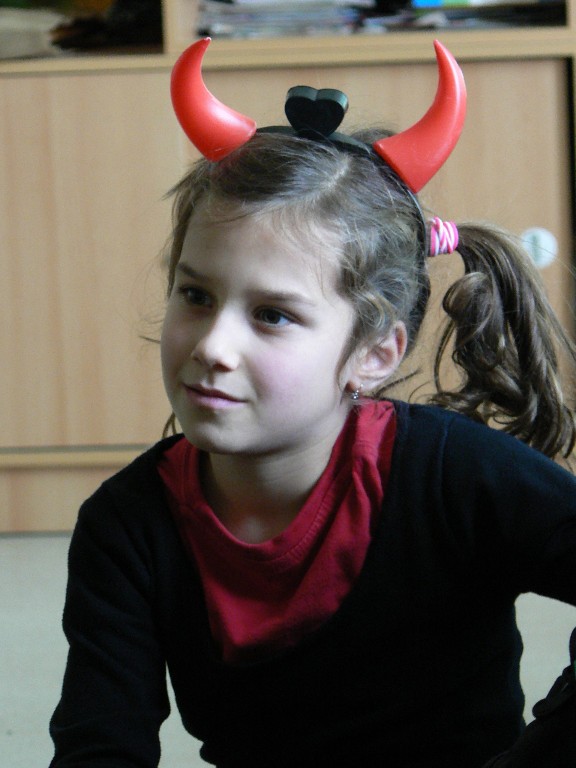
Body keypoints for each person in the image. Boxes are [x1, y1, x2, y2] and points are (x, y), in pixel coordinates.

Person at [49, 38, 576, 768]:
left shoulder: (458, 475)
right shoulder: (126, 527)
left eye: (272, 315)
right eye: (195, 295)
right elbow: (99, 747)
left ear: (374, 354)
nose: (213, 345)